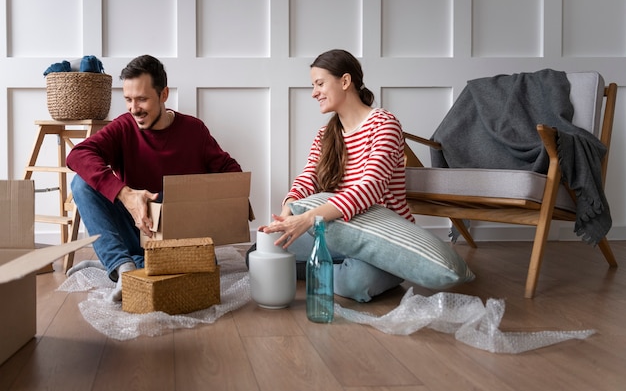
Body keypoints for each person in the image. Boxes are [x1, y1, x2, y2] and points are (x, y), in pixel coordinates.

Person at [66, 54, 242, 301]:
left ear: (164, 95)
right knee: (80, 184)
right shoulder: (124, 126)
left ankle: (118, 263)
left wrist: (203, 202)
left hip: (180, 242)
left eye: (142, 99)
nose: (134, 108)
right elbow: (78, 155)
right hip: (135, 229)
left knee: (199, 264)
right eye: (128, 99)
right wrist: (125, 194)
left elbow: (231, 172)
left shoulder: (194, 130)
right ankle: (124, 268)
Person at [262, 49, 414, 302]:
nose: (314, 93)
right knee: (263, 248)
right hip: (341, 230)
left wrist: (308, 219)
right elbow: (308, 177)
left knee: (355, 283)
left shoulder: (384, 124)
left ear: (345, 81)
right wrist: (288, 210)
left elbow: (371, 187)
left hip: (382, 236)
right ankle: (329, 265)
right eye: (313, 86)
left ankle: (326, 268)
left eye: (320, 84)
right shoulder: (325, 134)